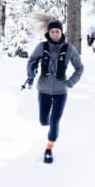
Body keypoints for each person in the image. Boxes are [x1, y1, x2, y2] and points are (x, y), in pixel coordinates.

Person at [26, 16, 83, 164]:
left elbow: (79, 68)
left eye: (57, 31)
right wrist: (31, 73)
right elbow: (31, 60)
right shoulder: (42, 47)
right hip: (43, 89)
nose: (55, 34)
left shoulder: (69, 49)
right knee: (43, 121)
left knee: (54, 119)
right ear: (49, 33)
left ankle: (49, 149)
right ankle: (50, 123)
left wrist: (70, 82)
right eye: (52, 32)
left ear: (61, 33)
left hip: (60, 91)